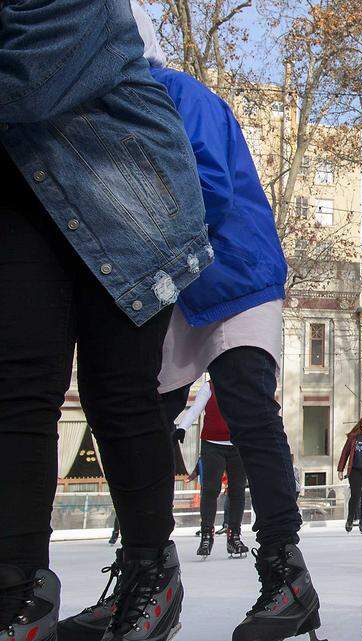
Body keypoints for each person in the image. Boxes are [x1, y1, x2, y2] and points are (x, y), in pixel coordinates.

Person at [60, 7, 324, 641]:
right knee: (137, 424)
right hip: (168, 288)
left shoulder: (183, 95)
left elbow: (207, 186)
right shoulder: (89, 117)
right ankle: (142, 574)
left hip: (235, 272)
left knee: (246, 405)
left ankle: (286, 573)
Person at [0, 1, 210, 639]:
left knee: (117, 392)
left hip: (126, 194)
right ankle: (17, 588)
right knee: (17, 384)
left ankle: (153, 571)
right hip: (25, 188)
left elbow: (30, 78)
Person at [190, 382, 249, 558]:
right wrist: (182, 428)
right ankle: (207, 535)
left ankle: (234, 535)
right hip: (212, 444)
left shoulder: (243, 385)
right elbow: (195, 409)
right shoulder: (209, 387)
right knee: (210, 490)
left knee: (237, 491)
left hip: (237, 443)